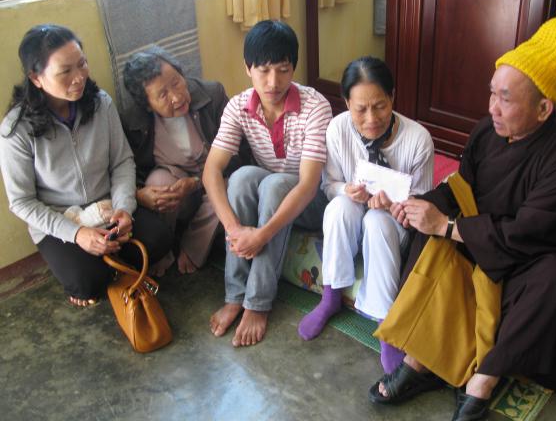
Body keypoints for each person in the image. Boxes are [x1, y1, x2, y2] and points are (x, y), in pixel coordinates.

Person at [368, 18, 556, 419]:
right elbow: (462, 188)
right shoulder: (486, 131)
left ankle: (484, 378)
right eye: (492, 93)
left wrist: (449, 226)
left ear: (543, 109)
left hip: (531, 258)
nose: (491, 108)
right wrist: (419, 205)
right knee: (427, 230)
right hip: (479, 237)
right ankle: (421, 359)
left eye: (506, 99)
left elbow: (529, 232)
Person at [0, 24, 172, 307]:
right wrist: (77, 234)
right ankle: (100, 266)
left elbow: (121, 161)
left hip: (106, 206)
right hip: (63, 219)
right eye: (65, 71)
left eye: (82, 64)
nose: (79, 77)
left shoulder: (101, 104)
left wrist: (124, 209)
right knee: (87, 284)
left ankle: (110, 259)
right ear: (36, 78)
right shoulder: (16, 130)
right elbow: (22, 202)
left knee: (160, 240)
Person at [297, 56, 434, 373]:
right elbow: (329, 185)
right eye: (360, 109)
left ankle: (386, 322)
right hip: (351, 219)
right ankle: (331, 296)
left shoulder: (418, 140)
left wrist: (394, 206)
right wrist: (347, 190)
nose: (371, 119)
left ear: (393, 97)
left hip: (393, 227)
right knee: (340, 206)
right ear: (347, 103)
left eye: (380, 106)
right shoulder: (337, 129)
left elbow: (424, 206)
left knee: (376, 221)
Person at [203, 20, 332, 347]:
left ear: (294, 69)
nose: (273, 82)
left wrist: (261, 235)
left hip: (314, 201)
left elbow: (308, 185)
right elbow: (211, 171)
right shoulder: (238, 106)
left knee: (274, 185)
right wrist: (234, 230)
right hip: (270, 195)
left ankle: (257, 303)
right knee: (241, 177)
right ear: (248, 68)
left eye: (283, 70)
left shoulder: (316, 106)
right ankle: (235, 295)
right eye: (263, 70)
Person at [121, 48, 252, 276]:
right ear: (147, 105)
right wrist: (140, 194)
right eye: (163, 95)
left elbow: (240, 155)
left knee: (230, 186)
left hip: (217, 179)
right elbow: (129, 170)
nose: (177, 96)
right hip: (177, 194)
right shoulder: (134, 122)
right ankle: (165, 248)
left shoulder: (212, 95)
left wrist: (196, 182)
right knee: (158, 181)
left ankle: (192, 248)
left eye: (176, 82)